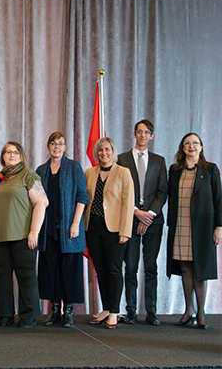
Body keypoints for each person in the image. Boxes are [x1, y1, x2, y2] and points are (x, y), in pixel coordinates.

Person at [0, 141, 49, 328]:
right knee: (1, 276)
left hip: (23, 236)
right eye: (8, 152)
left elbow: (41, 203)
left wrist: (34, 232)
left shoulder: (29, 176)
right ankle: (5, 314)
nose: (11, 155)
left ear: (21, 155)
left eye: (15, 152)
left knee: (26, 276)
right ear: (2, 156)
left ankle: (28, 315)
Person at [166, 132, 221, 330]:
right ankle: (188, 311)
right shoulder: (174, 170)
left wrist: (219, 226)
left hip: (203, 226)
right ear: (182, 148)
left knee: (200, 271)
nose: (191, 146)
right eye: (187, 143)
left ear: (201, 147)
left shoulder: (210, 169)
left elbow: (218, 199)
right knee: (185, 267)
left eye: (195, 143)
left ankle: (202, 312)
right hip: (180, 224)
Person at [117, 120, 167, 326]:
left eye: (147, 132)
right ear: (134, 134)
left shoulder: (159, 161)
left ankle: (152, 312)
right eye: (139, 132)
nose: (143, 135)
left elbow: (162, 192)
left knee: (150, 267)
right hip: (129, 219)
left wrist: (150, 215)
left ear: (152, 136)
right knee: (130, 267)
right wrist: (137, 213)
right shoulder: (121, 159)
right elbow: (119, 192)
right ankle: (130, 312)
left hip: (153, 222)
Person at [36, 132, 88, 328]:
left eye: (61, 144)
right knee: (51, 270)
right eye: (53, 143)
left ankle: (68, 312)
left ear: (65, 147)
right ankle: (55, 311)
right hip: (48, 229)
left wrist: (75, 223)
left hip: (68, 229)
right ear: (48, 146)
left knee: (69, 270)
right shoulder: (41, 170)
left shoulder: (74, 167)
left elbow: (82, 196)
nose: (57, 147)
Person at [84, 137, 134, 329]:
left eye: (107, 150)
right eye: (100, 151)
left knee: (114, 269)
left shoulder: (123, 172)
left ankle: (114, 310)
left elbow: (128, 204)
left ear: (112, 151)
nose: (103, 153)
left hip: (115, 229)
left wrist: (125, 231)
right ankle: (106, 307)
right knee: (101, 270)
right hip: (93, 228)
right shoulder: (90, 172)